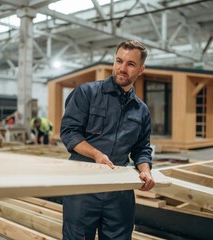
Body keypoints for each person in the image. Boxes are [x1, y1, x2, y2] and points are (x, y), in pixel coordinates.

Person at [60, 40, 155, 240]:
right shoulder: (87, 93)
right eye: (119, 61)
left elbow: (142, 148)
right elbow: (69, 132)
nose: (122, 68)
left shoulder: (141, 110)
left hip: (119, 190)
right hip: (83, 188)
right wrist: (96, 154)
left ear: (141, 69)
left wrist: (145, 170)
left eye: (130, 64)